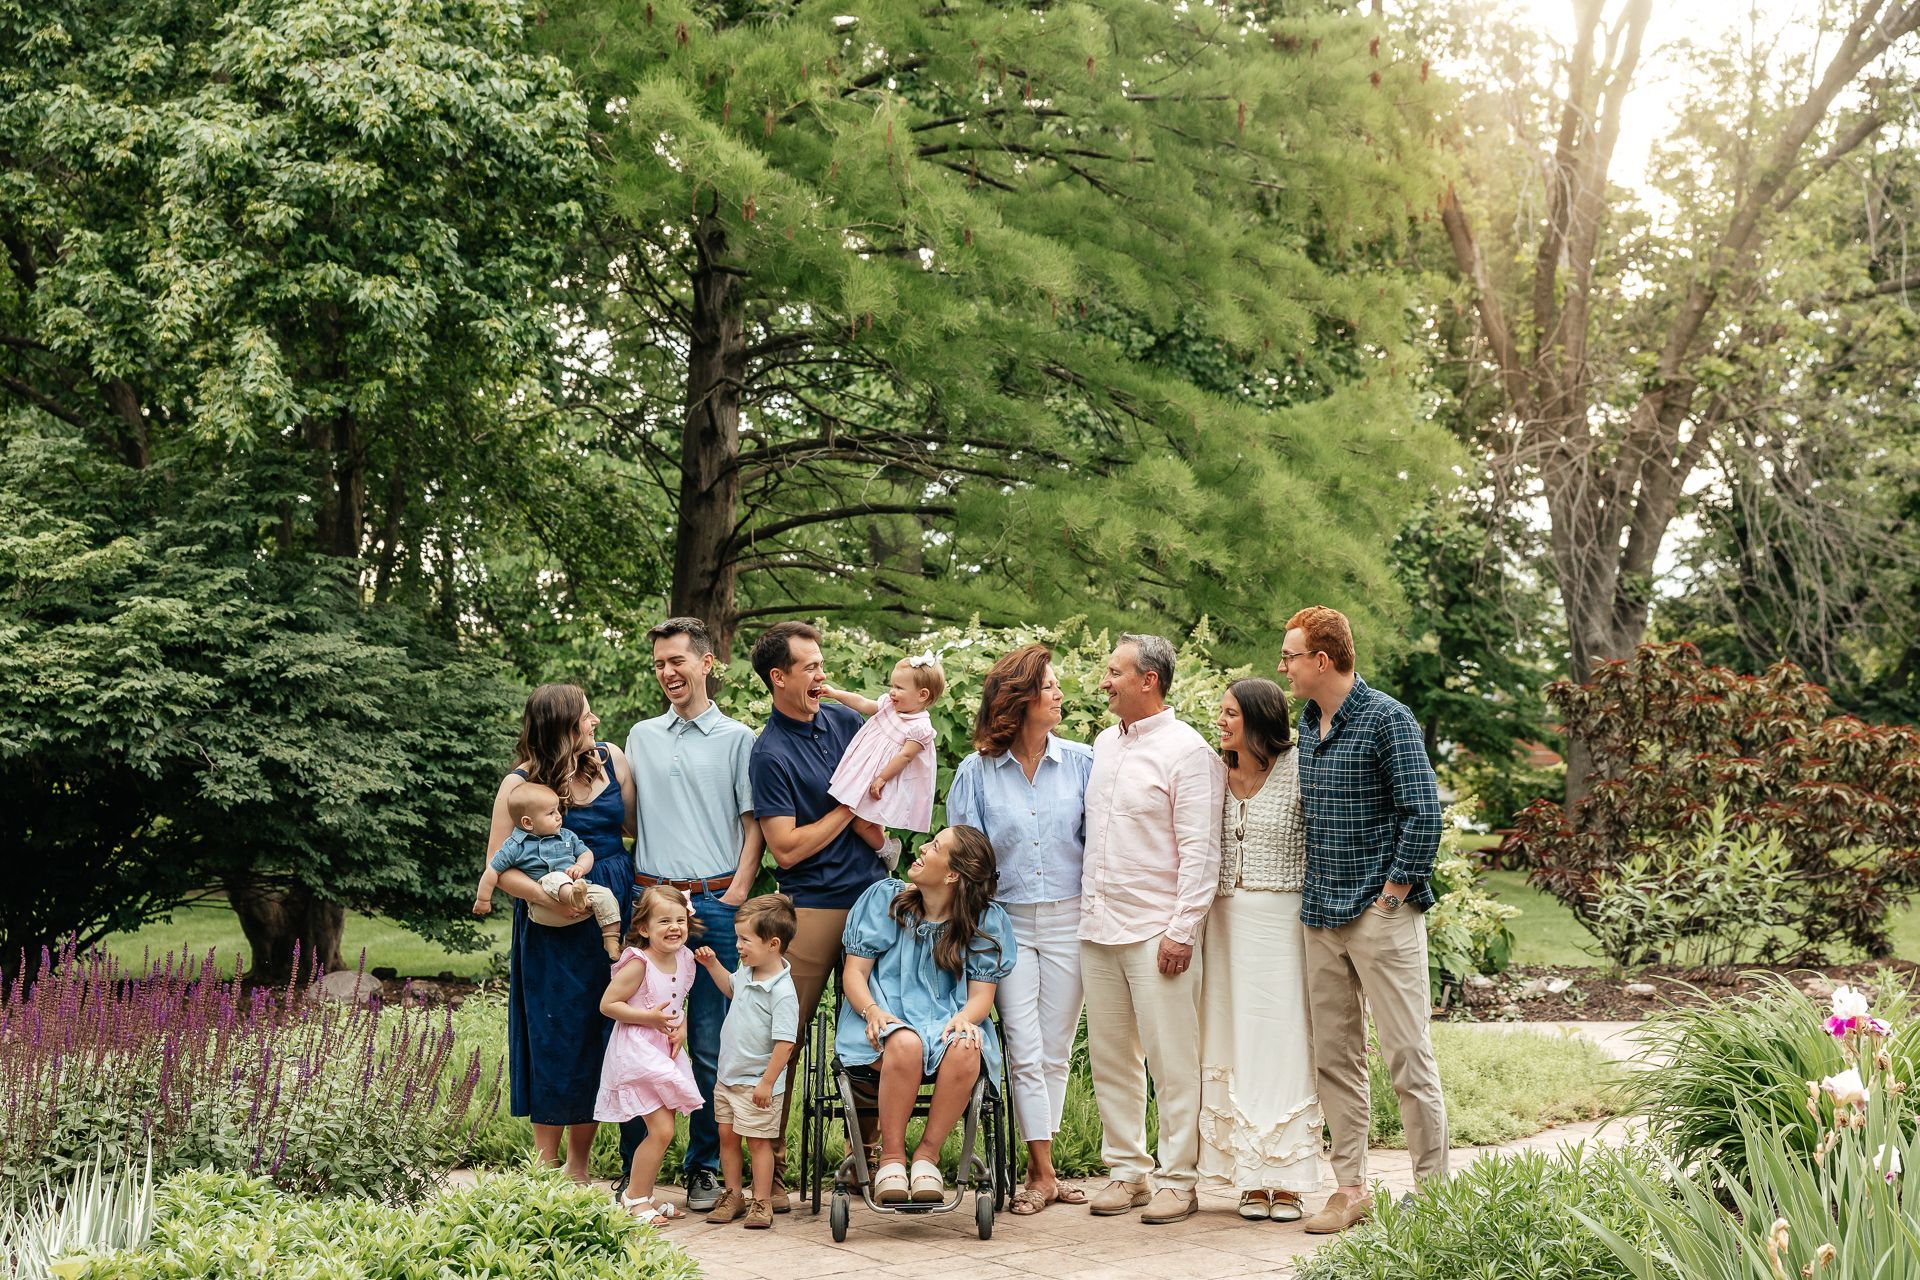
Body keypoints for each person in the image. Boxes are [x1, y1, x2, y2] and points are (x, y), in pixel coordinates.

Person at [1279, 605, 1447, 1235]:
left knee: (1408, 1054)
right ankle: (1350, 1190)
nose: (1284, 667)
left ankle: (1434, 1195)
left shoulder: (1387, 720)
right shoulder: (1307, 723)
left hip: (1382, 915)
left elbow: (1423, 814)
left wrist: (1393, 894)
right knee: (1335, 1058)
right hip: (1321, 915)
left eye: (1291, 655)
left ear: (1323, 660)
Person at [1079, 634, 1226, 1225]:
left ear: (1149, 681)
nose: (1104, 682)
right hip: (1098, 925)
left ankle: (1177, 1179)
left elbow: (1201, 852)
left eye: (1115, 672)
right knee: (1113, 1058)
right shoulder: (1103, 745)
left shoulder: (1188, 752)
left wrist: (1182, 929)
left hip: (1155, 929)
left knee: (1171, 1060)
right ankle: (1126, 1172)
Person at [617, 616, 761, 1213]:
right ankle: (635, 1174)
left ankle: (702, 1167)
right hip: (652, 902)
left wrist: (737, 893)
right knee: (639, 1033)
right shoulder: (640, 737)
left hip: (713, 906)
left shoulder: (739, 739)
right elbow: (627, 820)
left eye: (677, 661)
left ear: (707, 663)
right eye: (658, 665)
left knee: (706, 1040)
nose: (667, 673)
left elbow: (754, 826)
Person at [945, 642, 1094, 1216]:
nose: (1060, 694)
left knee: (1055, 1050)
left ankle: (1044, 1167)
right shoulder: (976, 772)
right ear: (1020, 699)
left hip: (1071, 917)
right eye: (1049, 686)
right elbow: (965, 861)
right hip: (1003, 925)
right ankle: (1040, 1170)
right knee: (1023, 1049)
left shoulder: (1082, 761)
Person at [747, 621, 888, 1208]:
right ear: (778, 678)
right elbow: (786, 848)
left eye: (821, 663)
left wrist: (873, 827)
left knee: (877, 1027)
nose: (821, 675)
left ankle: (870, 1156)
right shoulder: (768, 751)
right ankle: (770, 1169)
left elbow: (886, 796)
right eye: (809, 667)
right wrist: (846, 806)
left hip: (873, 899)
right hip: (808, 907)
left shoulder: (849, 724)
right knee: (785, 1036)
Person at [484, 683, 636, 1180]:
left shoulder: (612, 760)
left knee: (600, 1029)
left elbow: (634, 827)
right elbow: (498, 866)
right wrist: (547, 895)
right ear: (561, 729)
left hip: (610, 906)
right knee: (554, 1031)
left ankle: (580, 1165)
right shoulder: (519, 785)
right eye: (586, 718)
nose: (595, 724)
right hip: (549, 921)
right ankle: (546, 1167)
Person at [1198, 678, 1324, 1221]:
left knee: (1283, 1041)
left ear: (1258, 718)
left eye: (1231, 713)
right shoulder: (1209, 772)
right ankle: (1248, 1179)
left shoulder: (1299, 767)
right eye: (1220, 712)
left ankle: (1289, 1178)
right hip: (1223, 921)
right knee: (1229, 1040)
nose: (1221, 722)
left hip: (1283, 921)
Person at [837, 825, 1016, 1204]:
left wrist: (966, 1017)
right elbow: (855, 973)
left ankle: (927, 1157)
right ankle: (890, 1159)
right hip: (880, 1013)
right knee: (904, 1043)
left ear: (953, 874)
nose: (921, 848)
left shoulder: (982, 920)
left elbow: (981, 995)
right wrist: (871, 1010)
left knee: (968, 1044)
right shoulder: (888, 901)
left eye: (934, 846)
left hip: (945, 1016)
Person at [594, 885, 705, 1226]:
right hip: (637, 1052)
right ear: (644, 928)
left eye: (679, 920)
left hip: (665, 1051)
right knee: (660, 1130)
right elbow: (607, 1005)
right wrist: (651, 1019)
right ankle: (634, 1198)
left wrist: (680, 1027)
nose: (675, 927)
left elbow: (678, 1004)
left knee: (664, 1129)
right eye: (664, 922)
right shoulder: (638, 963)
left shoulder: (685, 958)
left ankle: (645, 1193)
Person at [692, 894, 801, 1231]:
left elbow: (785, 1043)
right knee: (726, 1135)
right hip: (728, 1077)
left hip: (757, 1082)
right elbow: (731, 988)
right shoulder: (747, 970)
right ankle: (733, 1194)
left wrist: (767, 1082)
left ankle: (762, 1201)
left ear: (773, 944)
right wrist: (713, 966)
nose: (737, 945)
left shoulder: (781, 992)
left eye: (744, 939)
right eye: (737, 937)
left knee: (758, 1142)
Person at [821, 653, 945, 869]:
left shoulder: (921, 728)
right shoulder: (890, 706)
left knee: (860, 824)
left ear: (922, 695)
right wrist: (835, 693)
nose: (892, 691)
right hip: (868, 771)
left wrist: (881, 779)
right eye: (892, 685)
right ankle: (878, 845)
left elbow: (905, 757)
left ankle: (887, 850)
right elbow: (862, 703)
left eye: (899, 687)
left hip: (888, 779)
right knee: (859, 819)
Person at [473, 783, 623, 960]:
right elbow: (492, 871)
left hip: (580, 901)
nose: (559, 816)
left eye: (558, 810)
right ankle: (574, 896)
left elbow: (586, 854)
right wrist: (483, 899)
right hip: (545, 908)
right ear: (528, 822)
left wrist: (580, 867)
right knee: (555, 877)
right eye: (551, 813)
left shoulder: (567, 836)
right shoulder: (515, 846)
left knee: (605, 894)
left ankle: (611, 940)